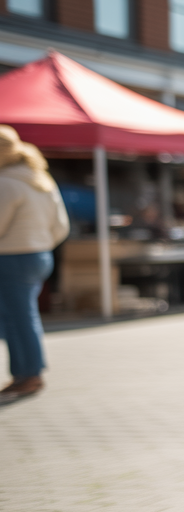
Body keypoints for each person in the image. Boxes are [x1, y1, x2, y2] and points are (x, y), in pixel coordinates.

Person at [0, 126, 69, 397]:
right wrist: (40, 244)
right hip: (39, 255)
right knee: (22, 316)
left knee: (17, 318)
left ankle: (28, 374)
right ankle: (26, 373)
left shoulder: (6, 182)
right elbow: (61, 226)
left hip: (13, 257)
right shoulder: (41, 179)